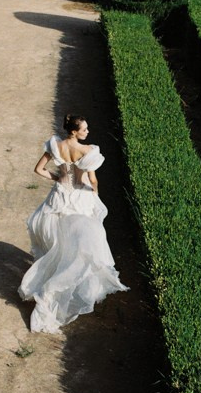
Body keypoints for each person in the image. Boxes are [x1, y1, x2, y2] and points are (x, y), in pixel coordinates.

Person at [18, 114, 128, 333]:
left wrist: (57, 179)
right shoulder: (89, 152)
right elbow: (93, 180)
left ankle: (54, 275)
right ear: (75, 131)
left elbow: (38, 170)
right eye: (84, 129)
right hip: (80, 198)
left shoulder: (55, 145)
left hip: (58, 197)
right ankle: (67, 283)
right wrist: (94, 195)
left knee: (60, 240)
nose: (87, 132)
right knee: (84, 242)